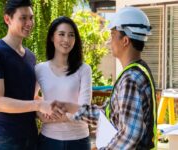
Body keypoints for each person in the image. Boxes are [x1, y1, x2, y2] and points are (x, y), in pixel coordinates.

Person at [53, 7, 157, 149]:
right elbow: (110, 115)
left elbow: (129, 134)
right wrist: (70, 107)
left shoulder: (131, 79)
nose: (109, 41)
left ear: (125, 40)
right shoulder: (135, 71)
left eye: (113, 34)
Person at [0, 0, 53, 149]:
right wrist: (38, 104)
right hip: (4, 138)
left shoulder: (31, 57)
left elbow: (30, 96)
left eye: (31, 18)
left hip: (30, 135)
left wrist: (46, 108)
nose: (29, 23)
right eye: (23, 18)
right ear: (8, 19)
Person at [35, 16, 92, 150]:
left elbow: (83, 110)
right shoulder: (40, 69)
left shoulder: (84, 69)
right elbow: (30, 100)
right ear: (51, 37)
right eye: (61, 34)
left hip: (78, 141)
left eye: (71, 35)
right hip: (48, 140)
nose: (66, 40)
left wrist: (49, 118)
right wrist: (39, 113)